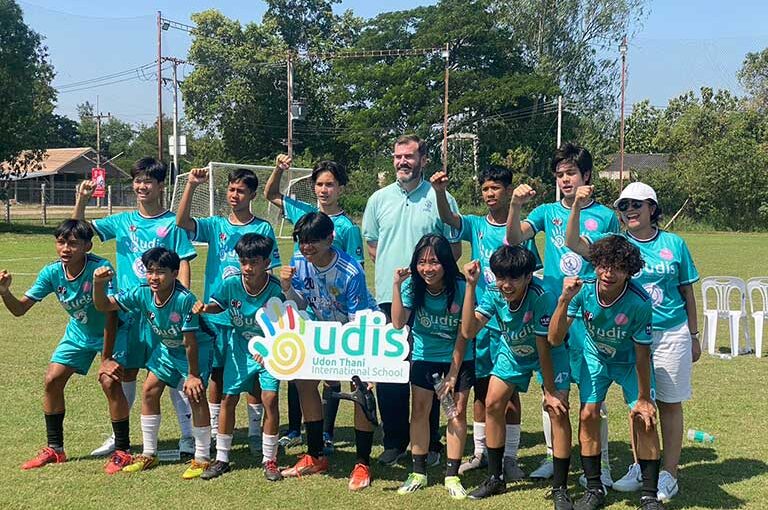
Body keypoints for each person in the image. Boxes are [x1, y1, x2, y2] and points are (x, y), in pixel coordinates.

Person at [565, 182, 700, 502]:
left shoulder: (674, 243)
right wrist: (576, 205)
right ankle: (641, 466)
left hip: (669, 332)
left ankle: (669, 474)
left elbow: (687, 291)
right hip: (629, 336)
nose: (629, 211)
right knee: (637, 403)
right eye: (623, 206)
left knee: (667, 403)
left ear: (652, 207)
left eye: (636, 204)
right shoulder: (615, 244)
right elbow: (572, 242)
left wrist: (694, 335)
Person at [506, 143, 619, 485]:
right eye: (560, 175)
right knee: (552, 390)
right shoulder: (546, 211)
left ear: (587, 175)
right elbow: (513, 238)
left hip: (589, 314)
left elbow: (608, 261)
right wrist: (515, 205)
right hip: (553, 315)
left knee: (592, 393)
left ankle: (601, 464)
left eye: (571, 173)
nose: (565, 180)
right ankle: (553, 456)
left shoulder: (605, 216)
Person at [74, 157, 198, 457]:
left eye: (148, 181)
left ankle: (188, 437)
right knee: (126, 372)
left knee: (172, 374)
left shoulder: (173, 223)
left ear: (161, 186)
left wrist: (181, 301)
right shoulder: (122, 220)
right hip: (129, 312)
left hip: (163, 311)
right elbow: (78, 231)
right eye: (138, 180)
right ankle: (120, 437)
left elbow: (183, 262)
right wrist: (82, 200)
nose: (142, 186)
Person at [431, 166, 543, 480]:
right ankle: (481, 452)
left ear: (508, 191)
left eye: (495, 188)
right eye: (485, 189)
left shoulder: (521, 231)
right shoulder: (477, 224)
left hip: (510, 324)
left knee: (509, 393)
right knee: (481, 388)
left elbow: (533, 274)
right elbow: (449, 218)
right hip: (481, 319)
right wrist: (440, 192)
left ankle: (510, 458)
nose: (489, 194)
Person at [0, 220, 132, 474]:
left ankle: (122, 451)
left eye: (73, 243)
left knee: (109, 381)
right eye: (61, 242)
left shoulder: (100, 269)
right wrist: (5, 292)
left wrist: (106, 358)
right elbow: (19, 310)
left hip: (113, 330)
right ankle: (55, 449)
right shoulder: (51, 273)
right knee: (52, 379)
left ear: (87, 246)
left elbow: (111, 313)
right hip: (79, 332)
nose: (65, 249)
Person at [362, 134, 460, 467]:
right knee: (390, 372)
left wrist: (425, 275)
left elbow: (453, 249)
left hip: (428, 297)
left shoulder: (440, 197)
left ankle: (429, 443)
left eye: (409, 156)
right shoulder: (379, 199)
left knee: (426, 372)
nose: (402, 162)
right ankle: (394, 442)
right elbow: (373, 246)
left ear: (423, 159)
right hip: (389, 298)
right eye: (398, 156)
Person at [549, 236, 664, 510]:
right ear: (595, 264)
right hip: (595, 357)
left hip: (629, 362)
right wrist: (564, 300)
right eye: (603, 265)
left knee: (645, 418)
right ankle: (594, 488)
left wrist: (644, 398)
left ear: (630, 271)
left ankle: (649, 495)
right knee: (588, 414)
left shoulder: (640, 302)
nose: (609, 273)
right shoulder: (583, 290)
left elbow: (642, 354)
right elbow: (554, 338)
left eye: (618, 268)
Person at [176, 166, 281, 455]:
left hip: (252, 317)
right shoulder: (216, 225)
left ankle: (255, 432)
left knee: (255, 374)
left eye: (241, 191)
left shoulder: (263, 228)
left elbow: (271, 269)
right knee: (217, 375)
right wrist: (191, 185)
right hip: (217, 314)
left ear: (253, 195)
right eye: (231, 190)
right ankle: (214, 430)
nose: (235, 195)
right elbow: (182, 221)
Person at [265, 156, 364, 453]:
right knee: (299, 371)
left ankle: (327, 433)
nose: (324, 190)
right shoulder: (304, 213)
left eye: (330, 184)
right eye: (319, 184)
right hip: (307, 308)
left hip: (337, 313)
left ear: (340, 188)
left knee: (331, 376)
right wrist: (279, 169)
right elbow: (271, 194)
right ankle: (297, 430)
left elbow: (353, 272)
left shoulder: (346, 228)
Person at [460, 246, 572, 507]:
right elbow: (468, 331)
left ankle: (560, 487)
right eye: (501, 277)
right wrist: (470, 286)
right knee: (492, 403)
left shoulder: (542, 296)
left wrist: (550, 391)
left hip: (549, 353)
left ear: (528, 276)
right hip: (513, 351)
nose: (506, 285)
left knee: (557, 410)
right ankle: (496, 478)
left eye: (514, 278)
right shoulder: (493, 292)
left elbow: (544, 345)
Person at [93, 247, 214, 479]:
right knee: (149, 390)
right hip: (168, 348)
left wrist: (193, 375)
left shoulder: (184, 299)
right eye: (150, 271)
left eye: (160, 272)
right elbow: (104, 305)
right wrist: (98, 285)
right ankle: (149, 454)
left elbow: (190, 342)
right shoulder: (142, 292)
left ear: (175, 273)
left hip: (195, 350)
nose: (154, 277)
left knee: (195, 395)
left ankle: (202, 458)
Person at [278, 212, 377, 491]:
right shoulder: (299, 261)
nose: (306, 247)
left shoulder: (350, 271)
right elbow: (300, 303)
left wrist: (361, 361)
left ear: (330, 239)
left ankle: (362, 463)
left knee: (361, 389)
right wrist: (287, 287)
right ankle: (315, 455)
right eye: (301, 241)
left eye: (312, 241)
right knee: (304, 381)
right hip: (323, 331)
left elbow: (358, 319)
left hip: (358, 331)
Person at [192, 234, 285, 481]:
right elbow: (218, 304)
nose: (247, 268)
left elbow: (288, 321)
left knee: (270, 398)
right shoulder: (231, 283)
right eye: (243, 262)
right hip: (239, 349)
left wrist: (273, 350)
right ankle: (222, 458)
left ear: (266, 262)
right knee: (229, 398)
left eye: (254, 262)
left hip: (269, 351)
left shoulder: (276, 289)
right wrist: (205, 308)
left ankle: (269, 459)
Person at [392, 234, 473, 499]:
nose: (427, 268)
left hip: (457, 358)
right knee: (419, 411)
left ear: (446, 263)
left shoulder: (461, 287)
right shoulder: (412, 286)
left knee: (455, 413)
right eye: (422, 262)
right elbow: (398, 323)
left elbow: (464, 333)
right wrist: (396, 285)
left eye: (434, 262)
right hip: (424, 356)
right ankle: (418, 472)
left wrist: (453, 374)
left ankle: (452, 475)